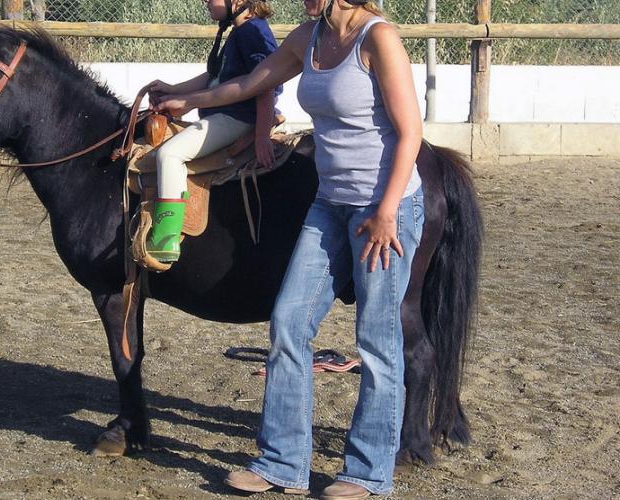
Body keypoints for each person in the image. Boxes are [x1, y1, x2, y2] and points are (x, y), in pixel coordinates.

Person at [156, 0, 424, 497]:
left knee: (377, 342)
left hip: (383, 208)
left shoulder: (378, 39)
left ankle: (368, 474)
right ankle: (282, 463)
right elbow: (250, 83)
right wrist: (188, 100)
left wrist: (387, 211)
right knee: (288, 323)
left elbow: (411, 132)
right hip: (329, 203)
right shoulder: (308, 36)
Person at [144, 0, 281, 263]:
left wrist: (262, 134)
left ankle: (166, 237)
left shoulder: (252, 32)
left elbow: (266, 84)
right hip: (227, 114)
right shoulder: (239, 32)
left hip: (237, 117)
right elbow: (213, 78)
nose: (206, 1)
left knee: (170, 154)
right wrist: (172, 89)